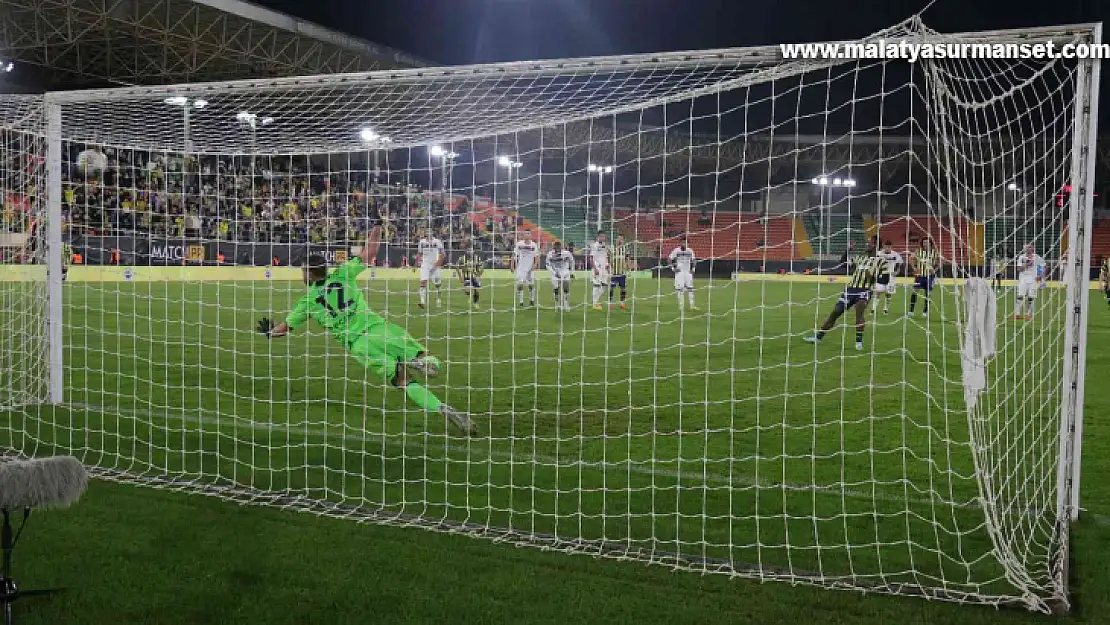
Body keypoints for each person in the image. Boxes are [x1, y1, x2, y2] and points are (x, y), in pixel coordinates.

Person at [256, 227, 475, 435]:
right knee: (424, 357)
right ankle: (423, 363)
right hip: (379, 329)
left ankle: (445, 410)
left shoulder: (308, 302)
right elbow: (370, 251)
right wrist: (378, 227)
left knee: (405, 382)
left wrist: (270, 332)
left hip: (360, 346)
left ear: (311, 274)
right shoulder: (343, 273)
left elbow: (284, 329)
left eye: (304, 271)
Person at [805, 242, 881, 351]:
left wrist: (870, 275)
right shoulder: (859, 258)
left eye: (870, 242)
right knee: (835, 312)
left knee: (859, 314)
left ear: (876, 245)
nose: (868, 244)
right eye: (868, 242)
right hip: (850, 290)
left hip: (864, 290)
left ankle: (858, 342)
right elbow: (843, 262)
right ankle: (818, 337)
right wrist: (848, 249)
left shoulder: (879, 261)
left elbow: (879, 279)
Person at [908, 238, 941, 317]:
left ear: (930, 243)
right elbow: (911, 259)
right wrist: (914, 268)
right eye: (924, 242)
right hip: (919, 276)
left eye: (927, 242)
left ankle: (925, 311)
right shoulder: (918, 251)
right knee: (915, 292)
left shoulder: (935, 252)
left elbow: (940, 262)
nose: (925, 244)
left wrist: (935, 270)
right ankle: (911, 311)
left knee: (928, 294)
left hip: (930, 277)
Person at [1013, 243, 1045, 320]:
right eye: (1027, 247)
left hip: (1033, 279)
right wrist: (1027, 264)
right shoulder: (1021, 257)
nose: (1028, 249)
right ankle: (1017, 313)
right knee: (1020, 296)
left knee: (1031, 297)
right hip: (1023, 278)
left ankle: (1029, 314)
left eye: (1030, 247)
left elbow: (1044, 266)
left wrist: (1041, 276)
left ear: (1033, 248)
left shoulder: (1036, 257)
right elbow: (1018, 269)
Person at [416, 228, 444, 309]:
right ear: (425, 233)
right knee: (423, 282)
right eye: (427, 231)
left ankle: (439, 297)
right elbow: (419, 254)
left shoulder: (437, 241)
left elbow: (442, 254)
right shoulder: (422, 242)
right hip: (425, 264)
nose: (428, 233)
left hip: (435, 264)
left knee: (437, 283)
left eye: (430, 231)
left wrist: (438, 263)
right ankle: (422, 302)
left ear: (432, 233)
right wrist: (416, 264)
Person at [872, 240, 902, 314]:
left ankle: (885, 309)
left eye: (889, 246)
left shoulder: (895, 254)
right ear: (884, 246)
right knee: (877, 292)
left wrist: (897, 272)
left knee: (888, 293)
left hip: (891, 276)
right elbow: (875, 263)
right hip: (881, 275)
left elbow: (899, 264)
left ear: (891, 247)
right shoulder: (879, 253)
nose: (887, 248)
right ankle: (873, 309)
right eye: (886, 246)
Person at [511, 230, 539, 307]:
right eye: (526, 233)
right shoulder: (519, 244)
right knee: (520, 285)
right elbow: (514, 255)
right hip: (520, 268)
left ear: (530, 235)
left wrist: (535, 265)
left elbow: (536, 256)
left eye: (528, 233)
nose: (527, 235)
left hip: (530, 268)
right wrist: (512, 266)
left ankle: (532, 300)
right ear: (523, 235)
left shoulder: (534, 245)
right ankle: (521, 302)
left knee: (531, 285)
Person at [668, 238, 698, 311]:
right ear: (680, 242)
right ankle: (681, 306)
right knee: (680, 289)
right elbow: (669, 259)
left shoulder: (690, 250)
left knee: (690, 288)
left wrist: (693, 269)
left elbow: (694, 260)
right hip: (680, 273)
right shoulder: (676, 250)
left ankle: (692, 306)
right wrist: (673, 268)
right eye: (683, 242)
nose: (684, 244)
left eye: (686, 243)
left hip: (688, 272)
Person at [546, 240, 575, 310]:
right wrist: (554, 273)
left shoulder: (566, 253)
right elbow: (547, 265)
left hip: (565, 272)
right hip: (555, 273)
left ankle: (566, 304)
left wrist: (572, 272)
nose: (557, 249)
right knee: (556, 289)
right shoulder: (550, 254)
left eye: (559, 247)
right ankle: (557, 304)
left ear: (561, 247)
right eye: (556, 247)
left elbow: (572, 261)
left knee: (566, 288)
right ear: (554, 247)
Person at [456, 240, 484, 310]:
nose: (470, 251)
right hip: (466, 276)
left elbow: (481, 267)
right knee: (467, 290)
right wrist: (460, 276)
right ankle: (468, 295)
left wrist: (479, 274)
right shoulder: (462, 258)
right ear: (466, 250)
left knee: (476, 291)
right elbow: (457, 266)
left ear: (473, 250)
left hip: (475, 276)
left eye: (471, 250)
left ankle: (475, 303)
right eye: (468, 250)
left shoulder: (477, 258)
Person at [608, 233, 634, 309]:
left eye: (621, 239)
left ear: (623, 240)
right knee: (611, 288)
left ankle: (622, 303)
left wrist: (629, 269)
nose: (619, 240)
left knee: (623, 288)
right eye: (618, 238)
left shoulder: (625, 249)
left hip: (622, 273)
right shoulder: (612, 248)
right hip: (614, 273)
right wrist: (609, 266)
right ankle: (610, 303)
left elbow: (628, 259)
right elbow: (608, 258)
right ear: (616, 239)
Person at [587, 231, 610, 311]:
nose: (603, 238)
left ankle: (595, 301)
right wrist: (595, 268)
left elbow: (605, 257)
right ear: (598, 237)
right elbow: (591, 258)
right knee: (596, 285)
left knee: (604, 285)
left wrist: (607, 265)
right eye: (601, 236)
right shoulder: (595, 245)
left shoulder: (604, 246)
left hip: (604, 269)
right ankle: (594, 304)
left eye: (604, 236)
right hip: (597, 268)